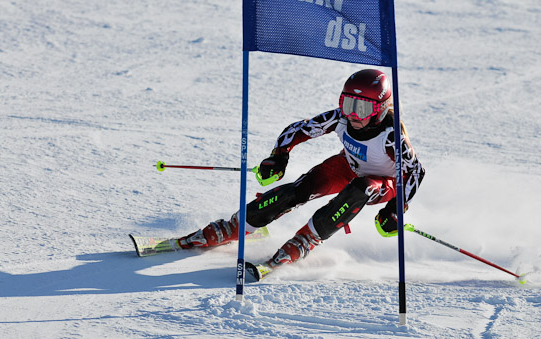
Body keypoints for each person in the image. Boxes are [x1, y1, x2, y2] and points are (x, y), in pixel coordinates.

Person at [173, 69, 425, 280]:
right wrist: (279, 155)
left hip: (385, 182)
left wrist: (396, 207)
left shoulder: (391, 136)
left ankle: (307, 240)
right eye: (348, 104)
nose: (353, 115)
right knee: (297, 191)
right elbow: (298, 129)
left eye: (362, 108)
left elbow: (415, 171)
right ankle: (236, 226)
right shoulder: (341, 118)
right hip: (348, 165)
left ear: (380, 108)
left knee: (361, 188)